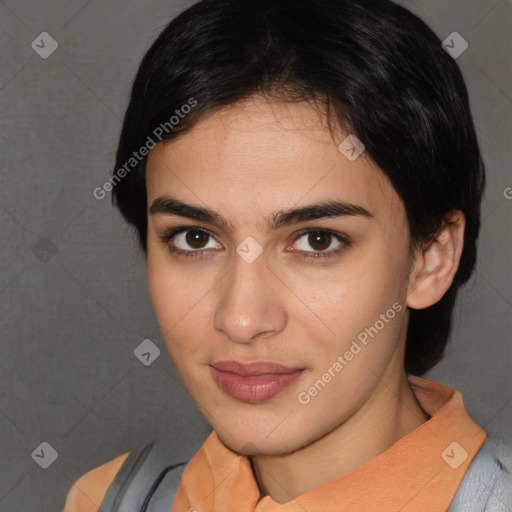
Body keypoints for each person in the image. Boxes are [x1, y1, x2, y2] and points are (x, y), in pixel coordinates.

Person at [63, 0, 512, 510]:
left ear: (431, 257)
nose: (241, 318)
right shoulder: (110, 500)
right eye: (194, 238)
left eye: (317, 240)